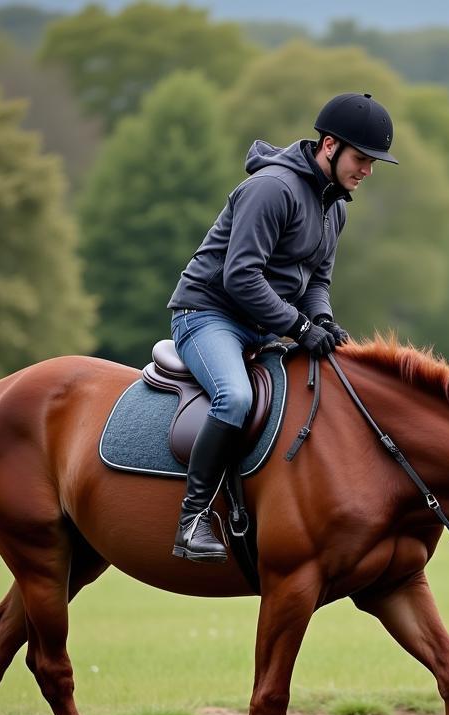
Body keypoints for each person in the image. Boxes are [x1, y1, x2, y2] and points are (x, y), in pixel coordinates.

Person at [167, 92, 398, 563]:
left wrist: (324, 321)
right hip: (207, 315)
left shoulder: (335, 206)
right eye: (362, 158)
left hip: (263, 325)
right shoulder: (272, 189)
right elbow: (240, 276)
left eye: (374, 162)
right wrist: (299, 325)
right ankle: (192, 520)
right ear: (329, 146)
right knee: (234, 397)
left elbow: (317, 282)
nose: (368, 171)